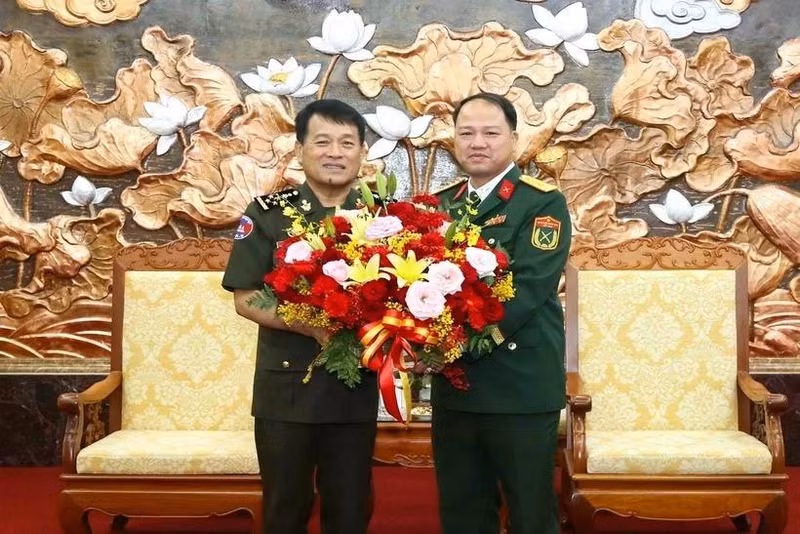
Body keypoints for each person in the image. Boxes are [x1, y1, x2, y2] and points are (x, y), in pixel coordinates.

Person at [222, 99, 378, 534]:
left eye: (347, 142)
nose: (335, 152)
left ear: (362, 153)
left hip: (354, 390)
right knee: (285, 509)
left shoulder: (383, 218)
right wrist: (310, 324)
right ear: (299, 150)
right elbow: (247, 297)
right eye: (322, 141)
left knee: (350, 510)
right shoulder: (268, 214)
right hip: (285, 390)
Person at [429, 92, 572, 534]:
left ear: (512, 139)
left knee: (531, 513)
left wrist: (450, 345)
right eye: (466, 132)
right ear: (454, 140)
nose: (478, 142)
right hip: (456, 388)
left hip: (519, 384)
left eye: (490, 133)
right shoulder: (437, 206)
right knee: (463, 511)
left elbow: (527, 290)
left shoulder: (541, 203)